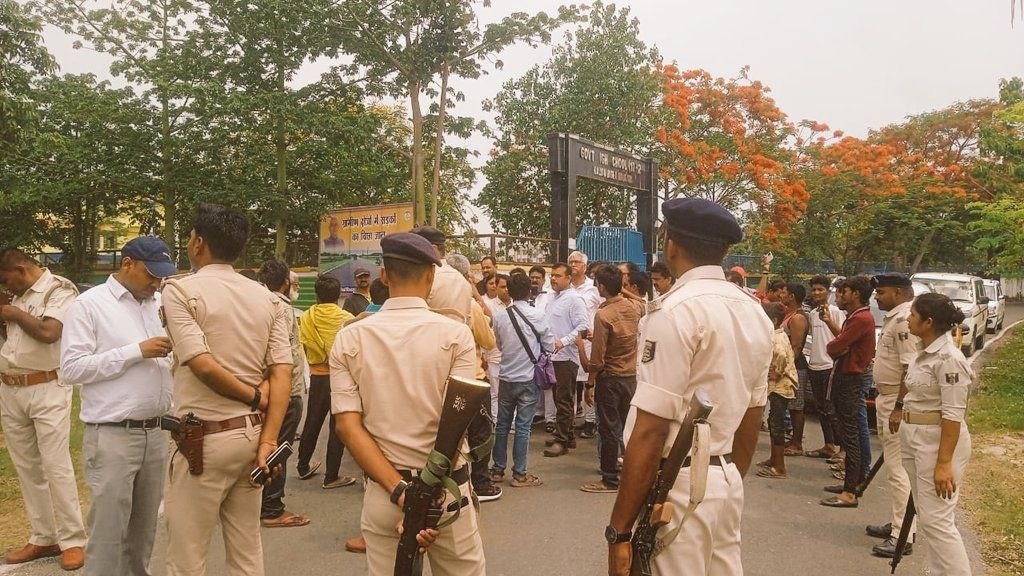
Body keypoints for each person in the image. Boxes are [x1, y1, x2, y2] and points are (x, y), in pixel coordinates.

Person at [606, 198, 773, 576]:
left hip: (678, 483)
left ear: (671, 244)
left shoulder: (674, 311)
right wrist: (722, 481)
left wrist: (618, 531)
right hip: (726, 478)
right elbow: (752, 416)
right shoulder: (754, 311)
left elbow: (650, 430)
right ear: (724, 251)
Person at [331, 232, 484, 575]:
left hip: (385, 492)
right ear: (431, 276)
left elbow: (347, 426)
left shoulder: (350, 336)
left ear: (383, 274)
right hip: (446, 494)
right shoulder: (456, 335)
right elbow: (457, 422)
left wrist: (402, 492)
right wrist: (427, 496)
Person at [161, 203, 293, 576]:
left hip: (202, 440)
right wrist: (268, 440)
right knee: (247, 550)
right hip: (251, 437)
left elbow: (201, 364)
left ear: (199, 243)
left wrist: (253, 396)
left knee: (187, 556)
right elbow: (282, 372)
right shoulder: (266, 297)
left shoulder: (180, 291)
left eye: (190, 237)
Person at [58, 237, 175, 574]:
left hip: (156, 431)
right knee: (109, 531)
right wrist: (134, 351)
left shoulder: (158, 303)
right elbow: (71, 369)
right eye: (150, 275)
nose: (156, 283)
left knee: (144, 531)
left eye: (161, 277)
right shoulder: (89, 305)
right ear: (126, 264)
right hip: (112, 434)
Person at [0, 247, 87, 570]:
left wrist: (13, 314)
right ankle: (43, 535)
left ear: (21, 270)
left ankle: (73, 540)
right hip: (11, 386)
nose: (6, 288)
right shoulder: (16, 296)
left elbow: (50, 333)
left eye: (7, 280)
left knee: (55, 464)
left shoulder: (58, 289)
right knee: (27, 468)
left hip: (47, 386)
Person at [897, 293, 973, 576]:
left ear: (928, 322)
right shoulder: (923, 351)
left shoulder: (949, 359)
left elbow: (953, 415)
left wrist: (944, 464)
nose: (908, 318)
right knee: (929, 517)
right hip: (915, 438)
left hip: (937, 443)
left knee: (937, 520)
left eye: (913, 315)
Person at [256, 260, 313, 528]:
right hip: (285, 392)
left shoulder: (255, 304)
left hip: (260, 391)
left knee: (262, 446)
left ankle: (259, 502)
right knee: (279, 450)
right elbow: (285, 356)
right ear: (286, 283)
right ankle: (272, 509)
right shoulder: (283, 309)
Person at [867, 273, 919, 557]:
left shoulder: (903, 322)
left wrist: (899, 407)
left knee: (898, 470)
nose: (877, 296)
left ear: (899, 293)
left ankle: (903, 534)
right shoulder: (896, 318)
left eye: (882, 292)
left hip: (895, 402)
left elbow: (909, 368)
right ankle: (901, 524)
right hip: (886, 397)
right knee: (895, 468)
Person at [445, 253, 503, 503]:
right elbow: (489, 341)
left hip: (443, 379)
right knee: (480, 433)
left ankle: (448, 481)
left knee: (450, 432)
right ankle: (481, 483)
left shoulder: (430, 303)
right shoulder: (469, 305)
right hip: (473, 380)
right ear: (466, 277)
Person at [580, 265, 641, 493]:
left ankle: (609, 479)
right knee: (627, 428)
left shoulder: (603, 315)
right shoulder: (634, 307)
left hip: (610, 379)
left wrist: (590, 382)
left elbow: (597, 359)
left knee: (608, 430)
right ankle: (628, 473)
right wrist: (624, 291)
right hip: (630, 377)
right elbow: (646, 306)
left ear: (602, 287)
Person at [489, 273, 553, 488]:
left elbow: (498, 345)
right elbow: (549, 345)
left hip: (506, 376)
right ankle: (520, 475)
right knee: (523, 427)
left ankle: (497, 470)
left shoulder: (499, 317)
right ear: (529, 292)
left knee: (502, 425)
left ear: (509, 291)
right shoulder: (538, 315)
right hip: (528, 378)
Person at [820, 276, 876, 508]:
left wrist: (840, 347)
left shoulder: (861, 319)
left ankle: (850, 491)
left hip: (851, 380)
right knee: (847, 432)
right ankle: (851, 482)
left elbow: (834, 346)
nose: (839, 297)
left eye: (844, 293)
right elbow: (839, 345)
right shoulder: (854, 318)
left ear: (855, 294)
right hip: (845, 378)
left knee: (851, 436)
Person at [297, 274, 356, 488]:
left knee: (312, 421)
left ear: (316, 295)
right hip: (340, 378)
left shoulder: (306, 317)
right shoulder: (347, 318)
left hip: (317, 377)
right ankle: (331, 476)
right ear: (339, 294)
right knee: (337, 425)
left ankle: (303, 466)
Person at [541, 263, 588, 458]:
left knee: (564, 399)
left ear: (568, 278)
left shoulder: (575, 299)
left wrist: (564, 341)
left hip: (567, 356)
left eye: (558, 276)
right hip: (552, 356)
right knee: (560, 398)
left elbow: (583, 326)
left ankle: (562, 441)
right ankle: (567, 436)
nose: (553, 279)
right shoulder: (552, 298)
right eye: (552, 275)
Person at [804, 275, 844, 460]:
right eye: (813, 290)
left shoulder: (836, 312)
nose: (816, 293)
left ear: (828, 291)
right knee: (820, 408)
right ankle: (828, 445)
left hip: (830, 365)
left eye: (820, 289)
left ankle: (842, 449)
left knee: (833, 409)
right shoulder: (812, 314)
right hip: (815, 365)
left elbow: (842, 335)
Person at [756, 302, 798, 480]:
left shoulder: (775, 337)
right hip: (780, 385)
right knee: (775, 421)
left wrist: (777, 372)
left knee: (777, 424)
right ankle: (774, 459)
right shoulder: (778, 334)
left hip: (782, 385)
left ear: (772, 320)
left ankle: (779, 466)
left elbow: (779, 355)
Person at [567, 250, 601, 439]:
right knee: (569, 383)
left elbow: (603, 310)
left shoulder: (593, 288)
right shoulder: (565, 287)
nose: (573, 265)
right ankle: (568, 420)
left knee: (589, 381)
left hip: (588, 342)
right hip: (568, 342)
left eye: (577, 262)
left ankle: (590, 421)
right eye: (571, 261)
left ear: (585, 266)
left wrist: (597, 333)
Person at [781, 283, 811, 455]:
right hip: (788, 365)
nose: (782, 295)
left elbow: (796, 346)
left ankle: (797, 443)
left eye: (784, 293)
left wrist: (787, 367)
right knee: (790, 405)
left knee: (796, 406)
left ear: (792, 296)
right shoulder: (789, 314)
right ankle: (793, 440)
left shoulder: (798, 318)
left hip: (796, 367)